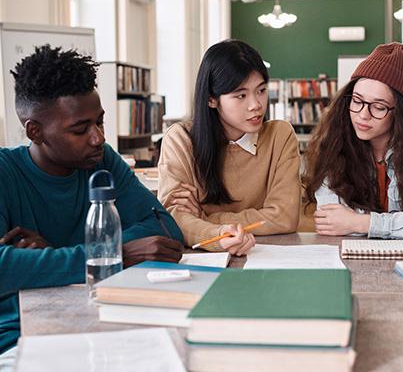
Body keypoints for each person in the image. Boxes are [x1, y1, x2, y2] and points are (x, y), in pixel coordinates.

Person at [0, 45, 184, 359]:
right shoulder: (5, 172)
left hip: (103, 318)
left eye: (100, 122)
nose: (98, 137)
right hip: (21, 336)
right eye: (80, 129)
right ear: (35, 131)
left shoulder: (102, 161)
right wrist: (115, 255)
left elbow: (165, 227)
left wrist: (53, 257)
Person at [303, 42, 403, 239]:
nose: (363, 115)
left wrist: (362, 223)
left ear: (400, 113)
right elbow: (332, 222)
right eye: (357, 101)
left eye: (378, 107)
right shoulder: (333, 147)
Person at [158, 40, 300, 254]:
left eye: (261, 90)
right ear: (211, 100)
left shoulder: (279, 136)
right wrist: (219, 236)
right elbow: (174, 217)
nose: (256, 105)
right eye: (241, 95)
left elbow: (285, 217)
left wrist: (206, 219)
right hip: (204, 258)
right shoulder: (181, 140)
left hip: (269, 254)